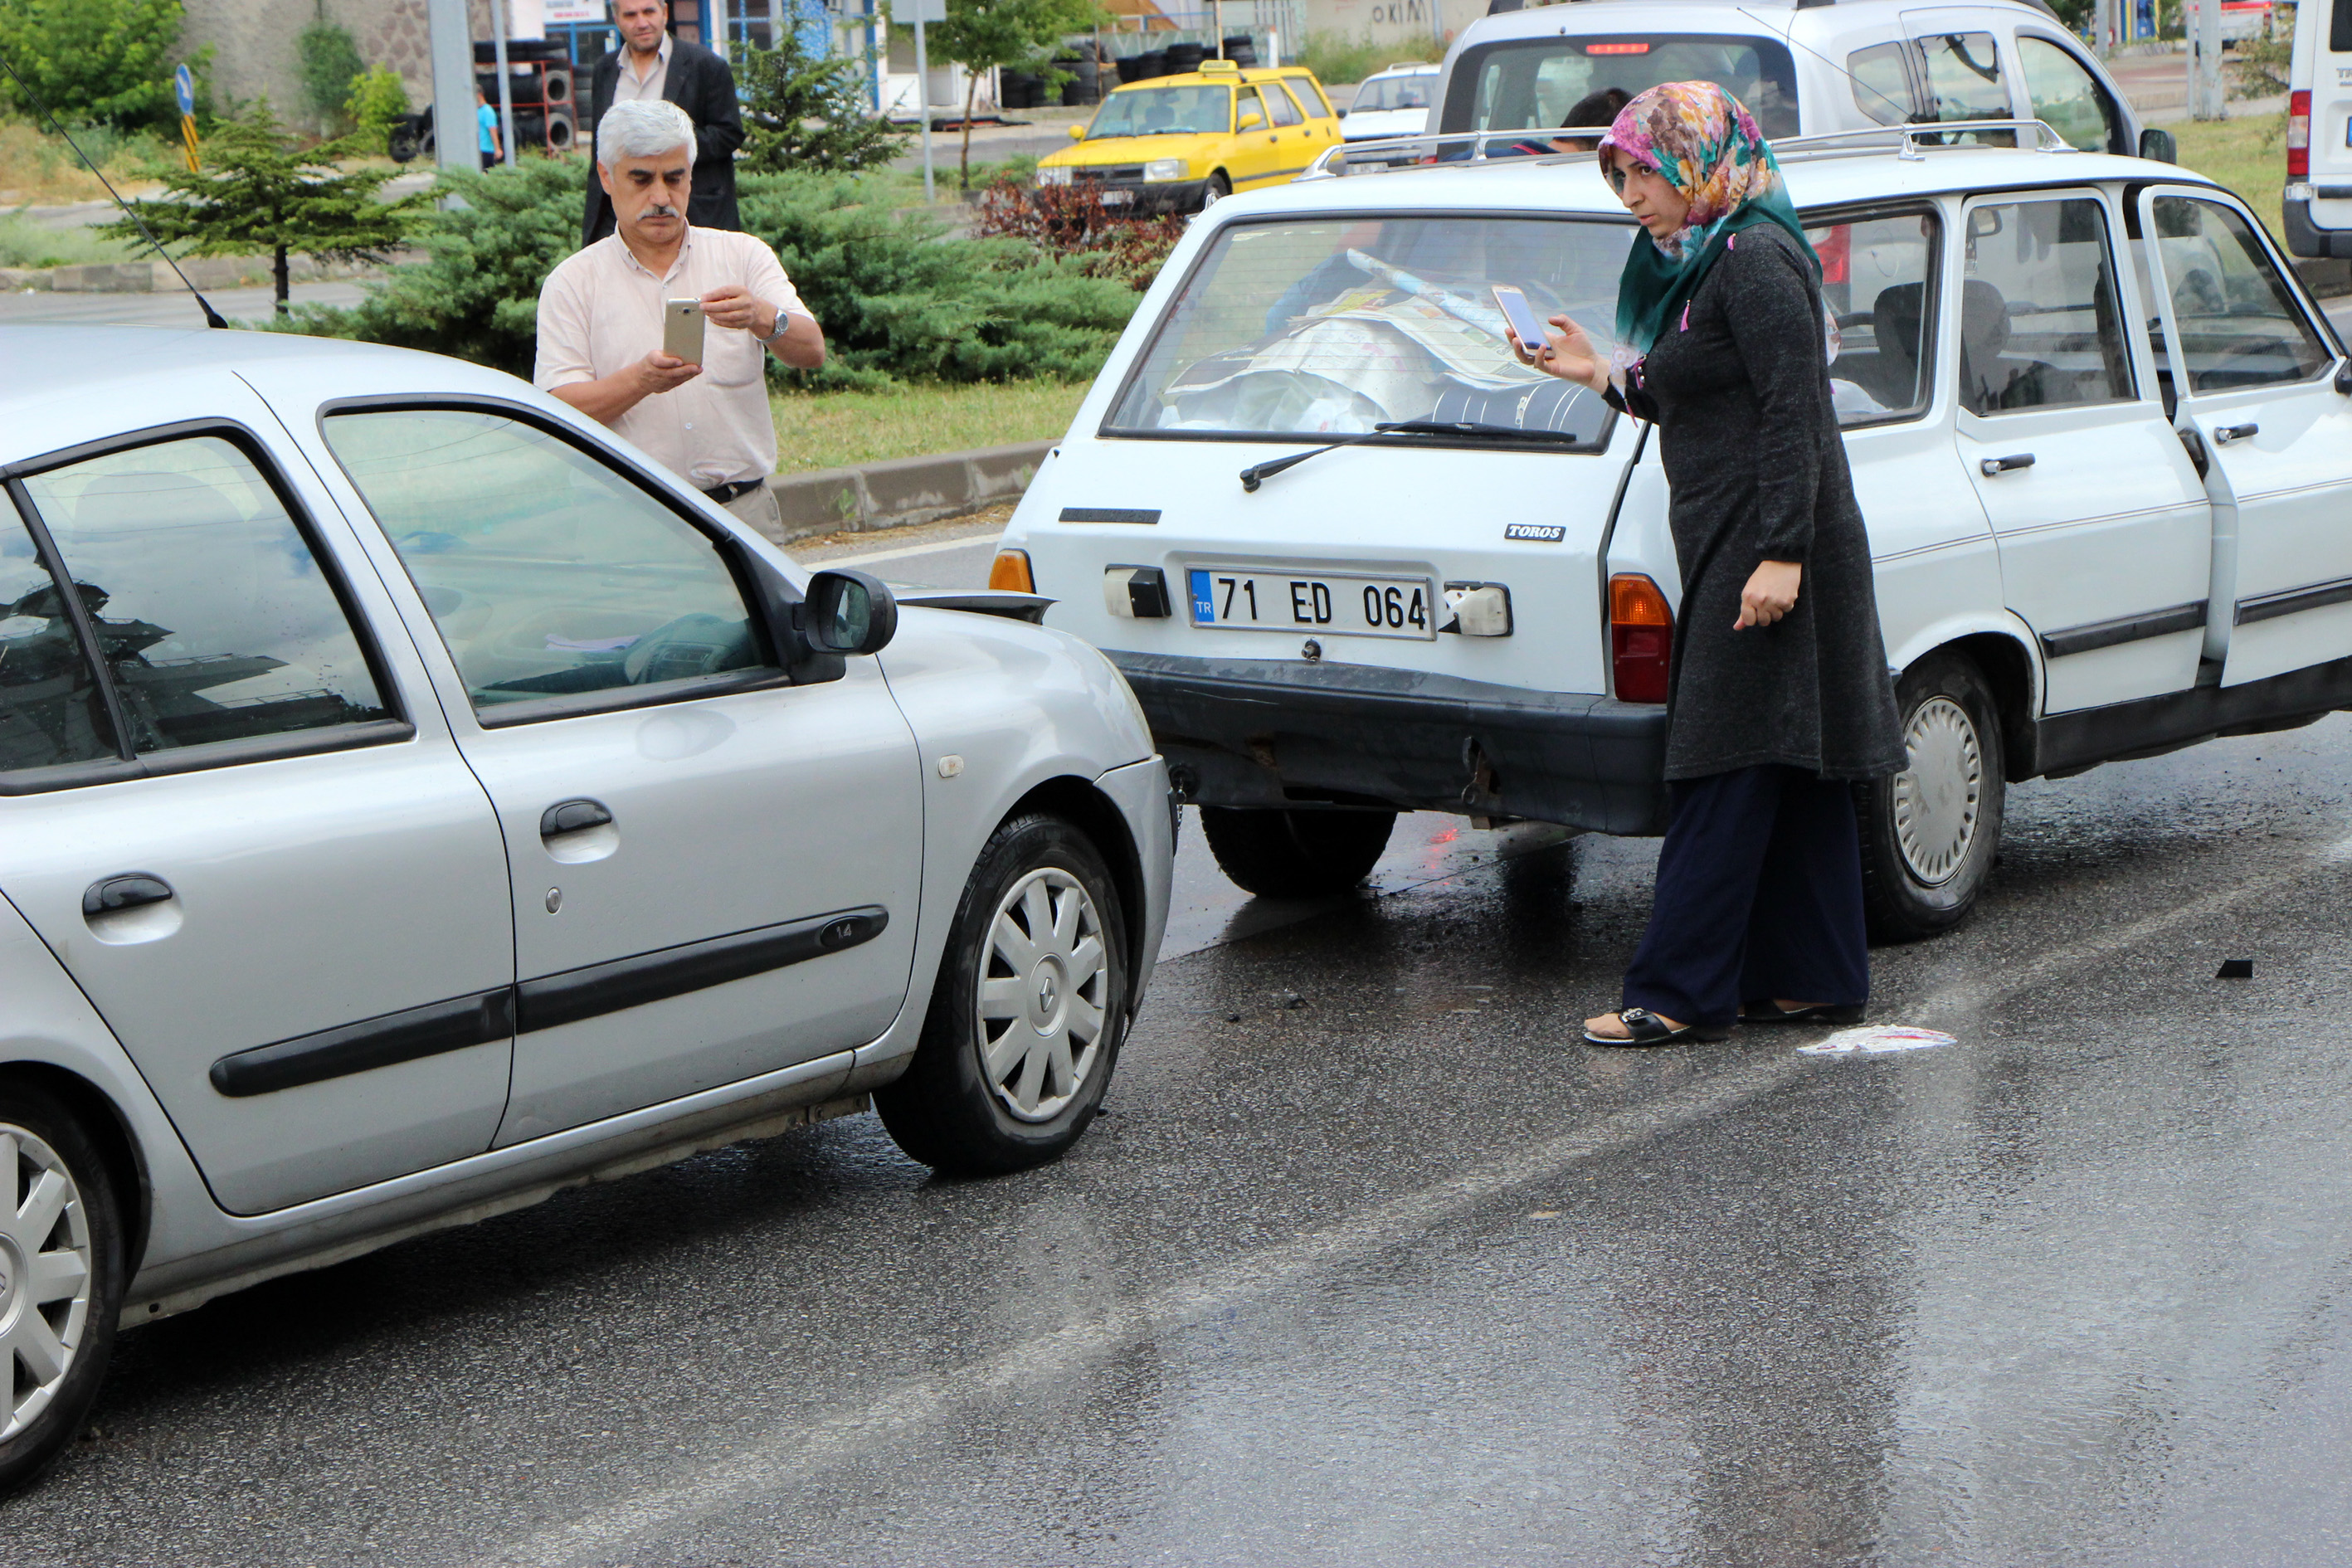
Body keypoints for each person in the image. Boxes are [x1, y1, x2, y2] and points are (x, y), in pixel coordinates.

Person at [1514, 80, 1906, 1047]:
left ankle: (1678, 991)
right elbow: (1685, 386)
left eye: (1642, 175)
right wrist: (1600, 373)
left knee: (1720, 760)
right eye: (1619, 182)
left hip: (1773, 545)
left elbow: (1795, 413)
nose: (1632, 199)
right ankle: (1816, 978)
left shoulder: (1759, 260)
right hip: (1740, 534)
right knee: (1787, 755)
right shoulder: (1704, 261)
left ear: (1695, 158)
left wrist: (1783, 554)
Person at [536, 100, 825, 536]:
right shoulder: (573, 283)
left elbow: (812, 350)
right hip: (629, 521)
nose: (660, 197)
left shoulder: (742, 256)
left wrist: (765, 318)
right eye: (642, 179)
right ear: (606, 177)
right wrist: (640, 381)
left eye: (674, 179)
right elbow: (559, 410)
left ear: (691, 176)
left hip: (742, 515)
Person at [581, 0, 744, 246]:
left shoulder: (706, 65)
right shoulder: (605, 69)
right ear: (616, 19)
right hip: (617, 219)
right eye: (631, 15)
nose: (642, 23)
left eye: (649, 12)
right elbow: (600, 146)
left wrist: (669, 149)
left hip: (689, 213)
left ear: (665, 13)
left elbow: (729, 133)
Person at [476, 86, 503, 170]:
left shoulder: (487, 111)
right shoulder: (476, 110)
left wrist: (497, 149)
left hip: (486, 150)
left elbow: (493, 130)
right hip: (477, 149)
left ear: (479, 95)